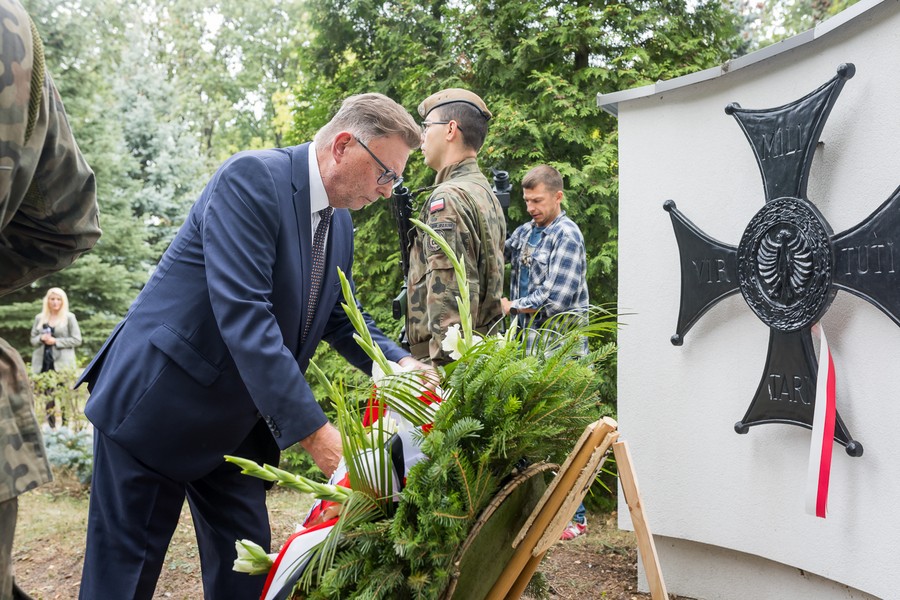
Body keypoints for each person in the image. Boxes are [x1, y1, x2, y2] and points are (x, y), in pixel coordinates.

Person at [76, 93, 432, 600]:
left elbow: (337, 313)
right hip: (159, 405)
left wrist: (398, 362)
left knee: (247, 567)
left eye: (395, 179)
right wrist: (317, 435)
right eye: (385, 173)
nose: (388, 190)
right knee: (125, 575)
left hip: (235, 423)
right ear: (343, 146)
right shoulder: (251, 180)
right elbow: (246, 317)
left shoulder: (341, 224)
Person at [0, 1, 101, 598]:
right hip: (33, 372)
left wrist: (55, 338)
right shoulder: (13, 30)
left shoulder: (61, 323)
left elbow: (72, 343)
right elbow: (69, 222)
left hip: (59, 366)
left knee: (62, 398)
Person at [500, 164, 590, 540]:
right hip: (526, 351)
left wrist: (511, 306)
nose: (531, 207)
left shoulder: (566, 236)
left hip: (559, 351)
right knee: (528, 431)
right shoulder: (526, 233)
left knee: (563, 435)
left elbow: (557, 299)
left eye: (538, 201)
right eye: (526, 201)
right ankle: (533, 509)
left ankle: (577, 517)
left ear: (558, 196)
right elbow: (496, 254)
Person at [406, 88, 506, 365]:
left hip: (448, 367)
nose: (422, 137)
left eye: (427, 127)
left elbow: (448, 300)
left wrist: (444, 375)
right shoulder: (483, 192)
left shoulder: (448, 199)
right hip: (480, 357)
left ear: (451, 129)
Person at [29, 287, 83, 427]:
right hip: (44, 364)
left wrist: (56, 341)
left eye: (58, 299)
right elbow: (33, 339)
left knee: (64, 397)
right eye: (52, 299)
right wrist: (41, 338)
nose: (55, 302)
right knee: (48, 398)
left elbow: (77, 340)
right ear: (47, 300)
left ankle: (65, 428)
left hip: (62, 365)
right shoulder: (40, 318)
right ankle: (52, 428)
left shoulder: (69, 317)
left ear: (63, 301)